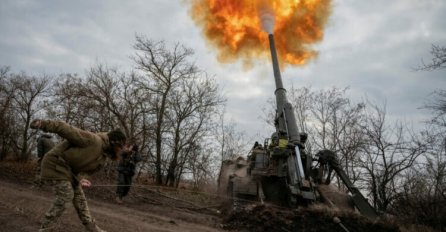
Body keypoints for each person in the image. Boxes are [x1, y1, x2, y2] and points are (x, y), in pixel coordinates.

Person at [30, 119, 127, 232]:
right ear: (114, 142)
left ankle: (91, 228)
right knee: (66, 195)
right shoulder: (93, 140)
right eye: (120, 146)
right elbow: (66, 129)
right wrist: (43, 124)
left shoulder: (103, 157)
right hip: (56, 163)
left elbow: (84, 169)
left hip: (69, 171)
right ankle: (46, 228)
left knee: (80, 199)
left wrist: (81, 179)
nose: (121, 150)